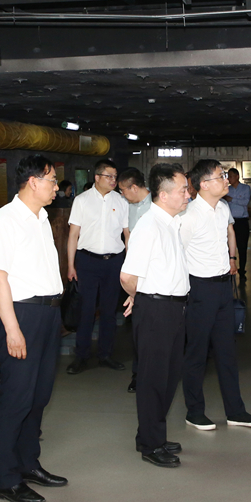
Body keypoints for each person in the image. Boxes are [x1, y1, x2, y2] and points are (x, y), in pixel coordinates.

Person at [0, 154, 68, 502]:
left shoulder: (42, 218)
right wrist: (12, 329)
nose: (56, 187)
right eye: (51, 180)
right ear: (33, 182)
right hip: (20, 315)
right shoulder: (4, 221)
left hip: (47, 315)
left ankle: (28, 463)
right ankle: (6, 480)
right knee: (15, 399)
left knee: (39, 395)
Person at [181, 160, 251, 431]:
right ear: (204, 184)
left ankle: (235, 411)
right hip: (200, 289)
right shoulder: (189, 215)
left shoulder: (223, 208)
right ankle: (194, 411)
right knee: (197, 353)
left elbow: (228, 234)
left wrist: (232, 259)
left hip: (223, 287)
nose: (226, 180)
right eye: (221, 176)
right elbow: (177, 255)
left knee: (227, 352)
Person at [119, 163, 190, 468]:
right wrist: (140, 297)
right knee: (153, 379)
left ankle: (150, 433)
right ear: (164, 195)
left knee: (169, 376)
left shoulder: (170, 223)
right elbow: (127, 276)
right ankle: (151, 444)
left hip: (172, 308)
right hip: (156, 309)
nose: (188, 194)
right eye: (183, 190)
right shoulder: (149, 226)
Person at [65, 159, 129, 374]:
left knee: (110, 311)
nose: (113, 180)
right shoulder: (82, 200)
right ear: (97, 177)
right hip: (87, 261)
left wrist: (129, 264)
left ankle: (105, 354)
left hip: (114, 261)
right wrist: (71, 264)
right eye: (109, 176)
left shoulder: (121, 201)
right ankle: (81, 356)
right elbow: (73, 235)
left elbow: (127, 234)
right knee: (86, 310)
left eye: (115, 176)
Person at [117, 167, 152, 393]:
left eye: (123, 190)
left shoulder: (158, 204)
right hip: (136, 273)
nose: (121, 194)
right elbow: (128, 238)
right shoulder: (128, 207)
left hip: (156, 273)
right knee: (138, 327)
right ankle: (138, 375)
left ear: (134, 187)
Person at [223, 168, 251, 278]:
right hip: (230, 222)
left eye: (231, 176)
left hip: (242, 221)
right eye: (228, 177)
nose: (229, 179)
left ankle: (242, 269)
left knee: (242, 246)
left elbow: (245, 201)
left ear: (237, 176)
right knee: (228, 246)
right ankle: (229, 267)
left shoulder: (245, 188)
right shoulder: (227, 189)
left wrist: (231, 199)